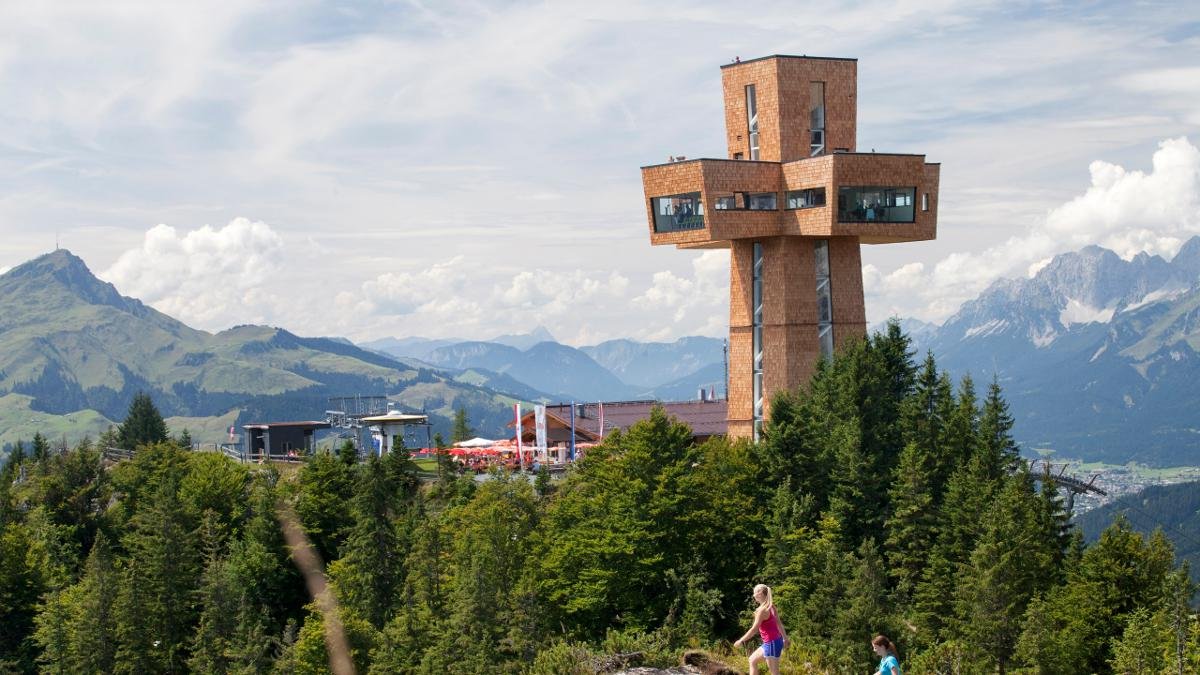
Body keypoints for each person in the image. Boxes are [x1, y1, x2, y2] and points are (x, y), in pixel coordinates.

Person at [733, 583, 789, 675]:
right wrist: (785, 638)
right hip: (773, 642)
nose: (753, 595)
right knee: (752, 660)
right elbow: (779, 624)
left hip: (772, 644)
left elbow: (754, 630)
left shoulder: (762, 610)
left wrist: (741, 640)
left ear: (760, 593)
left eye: (754, 593)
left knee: (774, 673)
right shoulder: (771, 606)